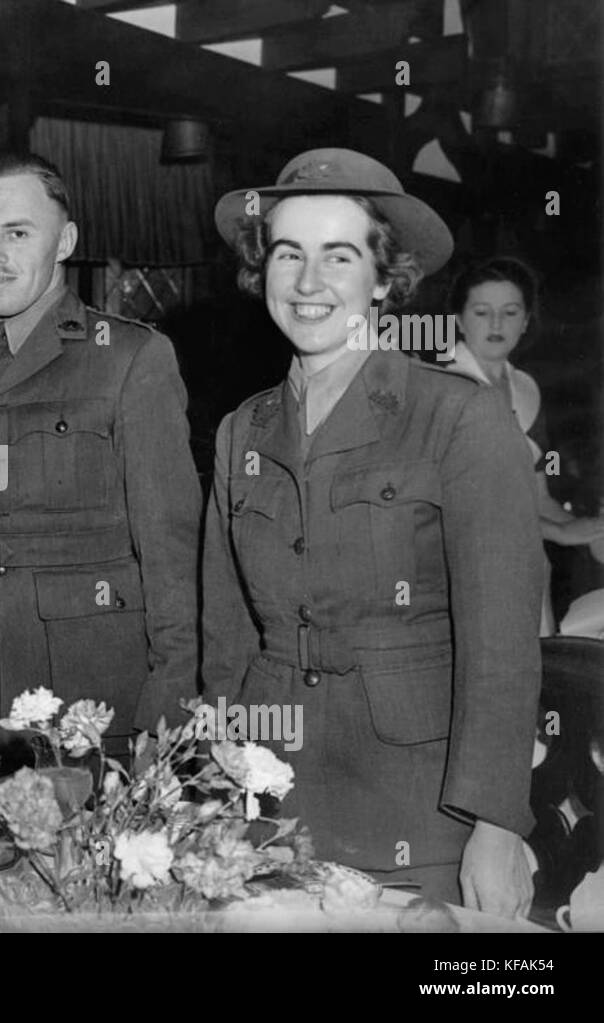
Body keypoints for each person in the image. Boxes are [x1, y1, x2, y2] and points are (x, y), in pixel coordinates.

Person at [202, 148, 544, 915]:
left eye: (339, 255)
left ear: (385, 280)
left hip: (419, 812)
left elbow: (503, 643)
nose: (309, 282)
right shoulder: (240, 429)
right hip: (266, 805)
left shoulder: (457, 415)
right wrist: (212, 780)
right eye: (288, 254)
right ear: (262, 272)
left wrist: (493, 824)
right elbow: (223, 637)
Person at [0, 152, 200, 753]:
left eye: (18, 232)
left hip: (89, 702)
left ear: (65, 241)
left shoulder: (129, 359)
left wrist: (167, 712)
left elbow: (173, 556)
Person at [446, 256, 604, 634]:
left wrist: (592, 530)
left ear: (526, 321)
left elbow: (538, 497)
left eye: (510, 312)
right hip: (463, 576)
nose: (497, 324)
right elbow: (466, 508)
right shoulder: (443, 387)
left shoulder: (526, 389)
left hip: (528, 571)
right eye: (482, 312)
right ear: (458, 320)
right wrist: (564, 533)